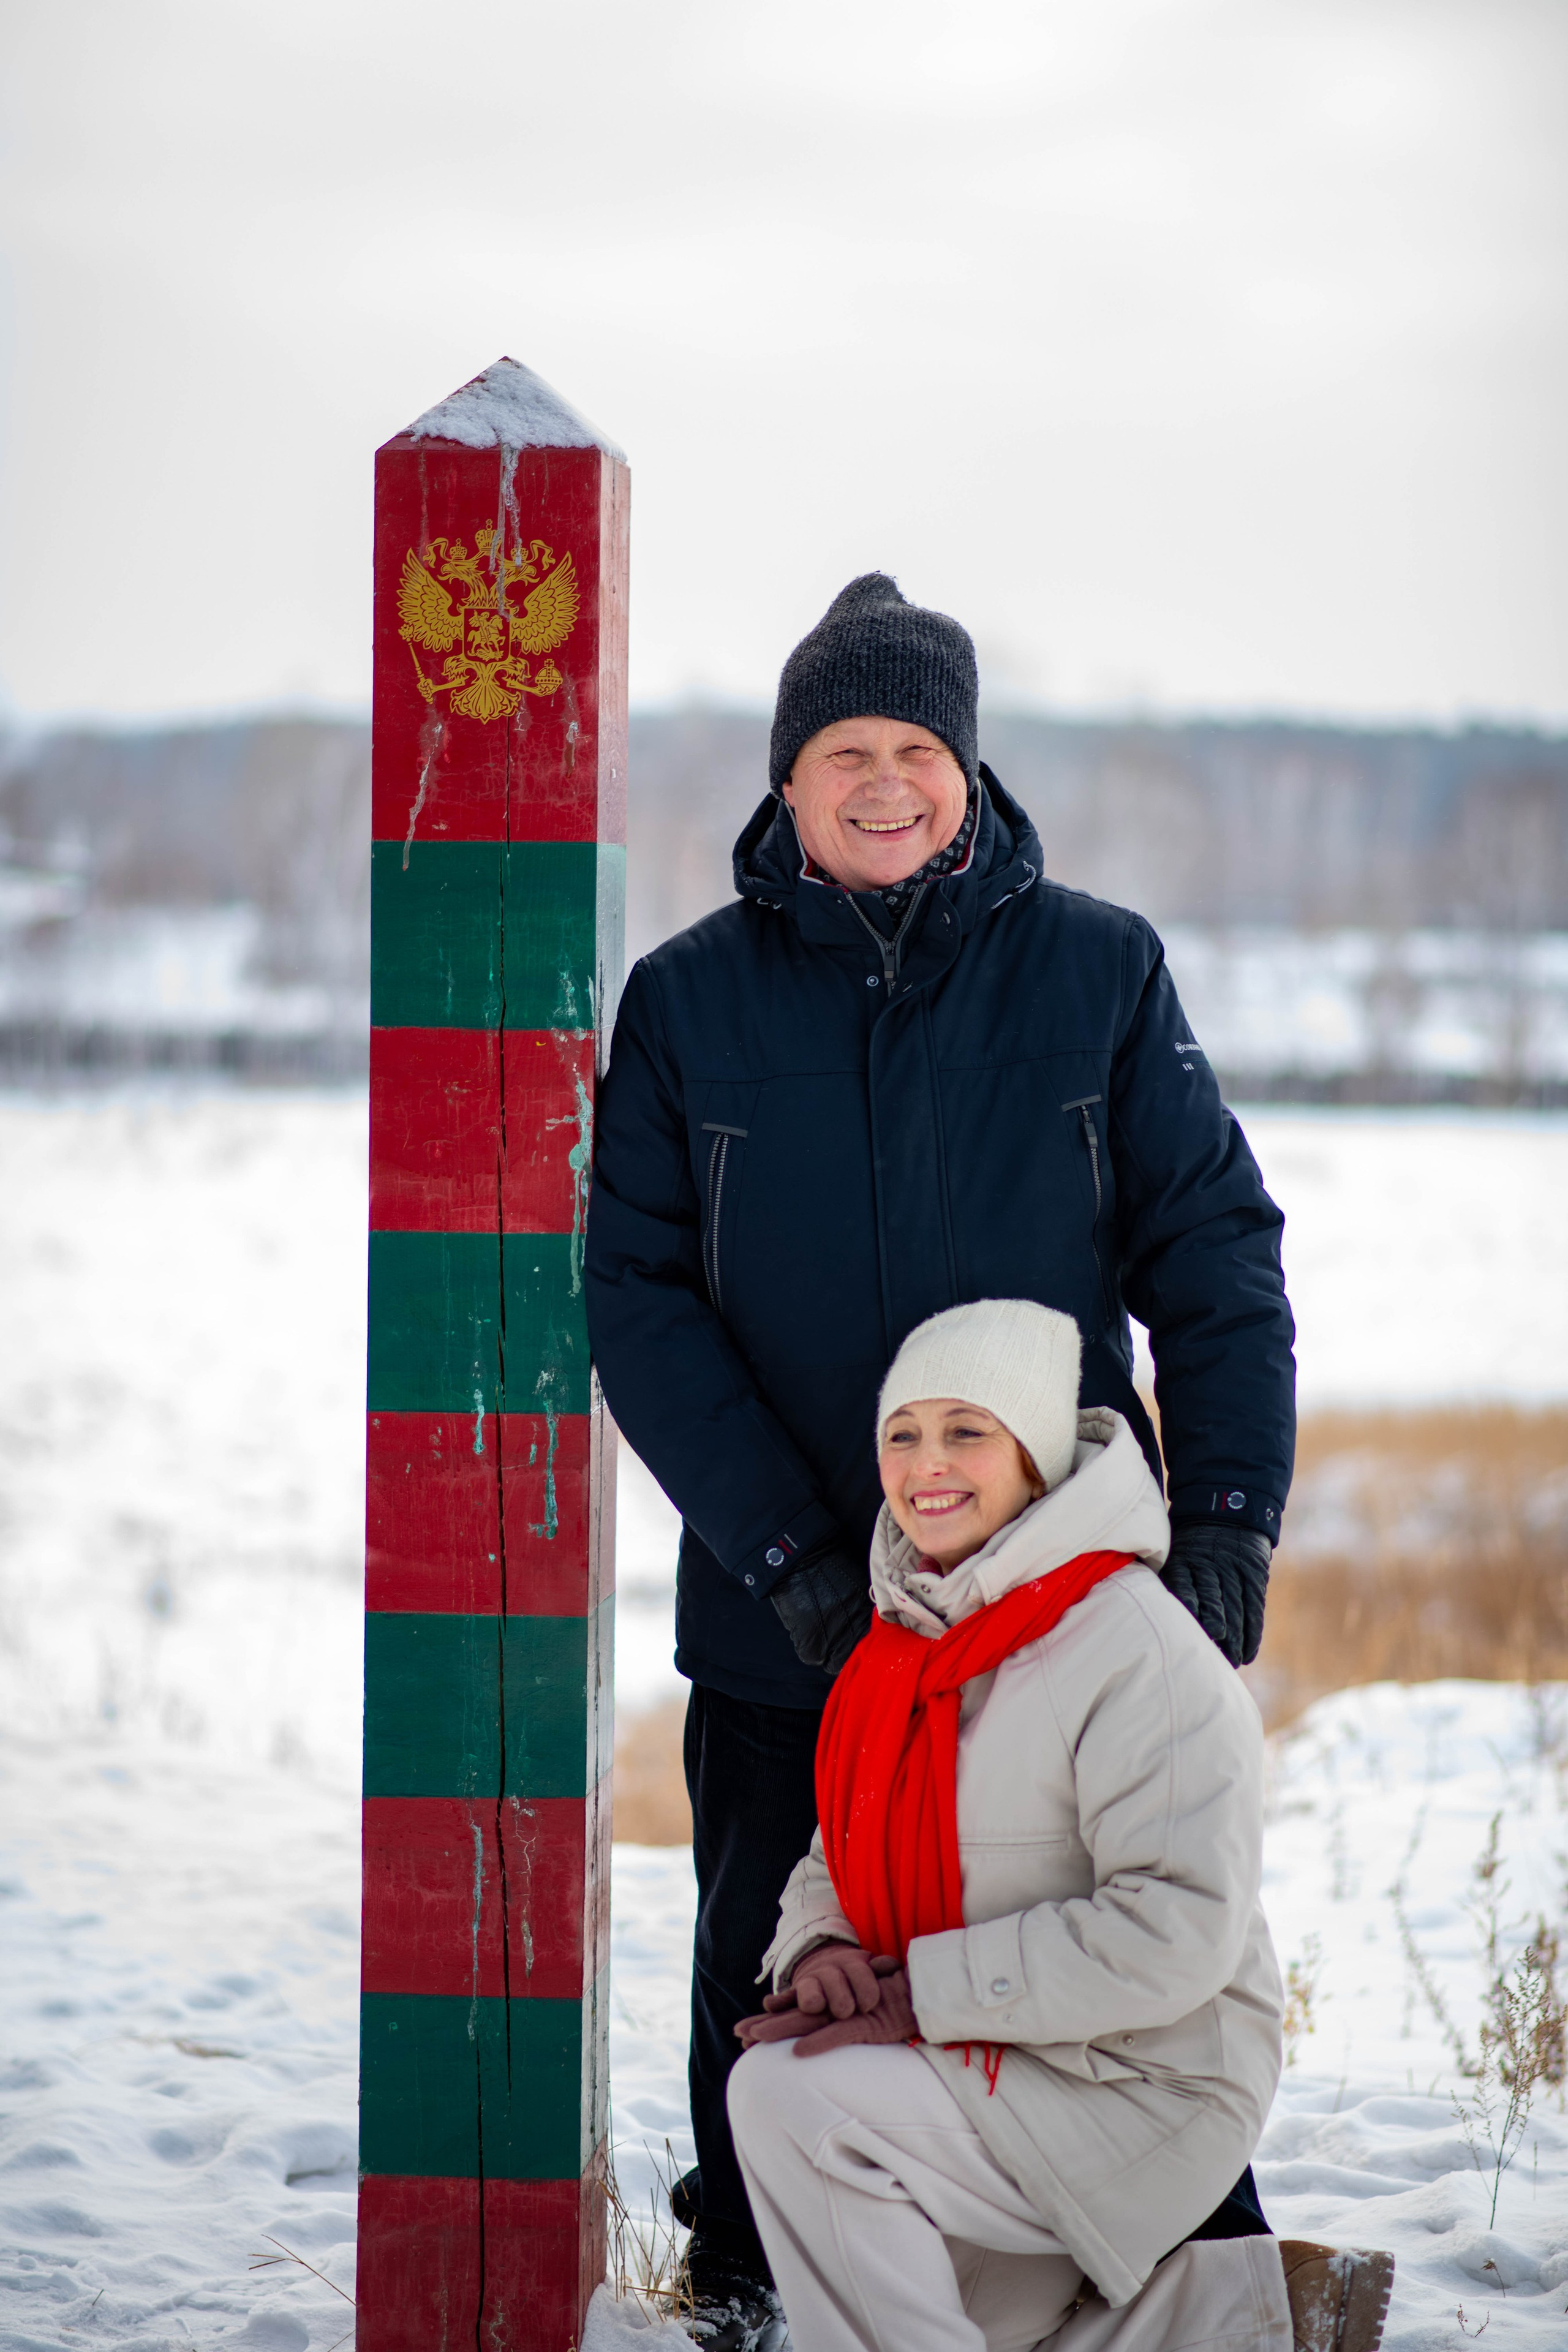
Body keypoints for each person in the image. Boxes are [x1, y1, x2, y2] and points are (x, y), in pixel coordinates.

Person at [584, 574, 1296, 2343]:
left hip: (1058, 1626)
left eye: (918, 747)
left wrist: (1219, 1533)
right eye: (846, 750)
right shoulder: (689, 1004)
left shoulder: (1102, 973)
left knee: (1086, 1964)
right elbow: (640, 1303)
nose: (884, 781)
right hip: (787, 1626)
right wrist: (792, 1564)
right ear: (787, 782)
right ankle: (757, 2290)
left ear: (967, 771)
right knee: (776, 1976)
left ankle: (1186, 2296)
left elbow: (1219, 1263)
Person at [726, 1298, 1393, 2352]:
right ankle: (1247, 2316)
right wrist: (823, 1946)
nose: (925, 1464)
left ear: (1036, 1460)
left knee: (788, 2100)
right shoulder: (905, 1636)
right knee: (952, 2319)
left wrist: (921, 1995)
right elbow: (836, 1844)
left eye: (967, 1431)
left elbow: (1174, 1930)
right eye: (902, 1434)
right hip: (997, 2053)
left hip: (1137, 2080)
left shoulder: (1133, 1649)